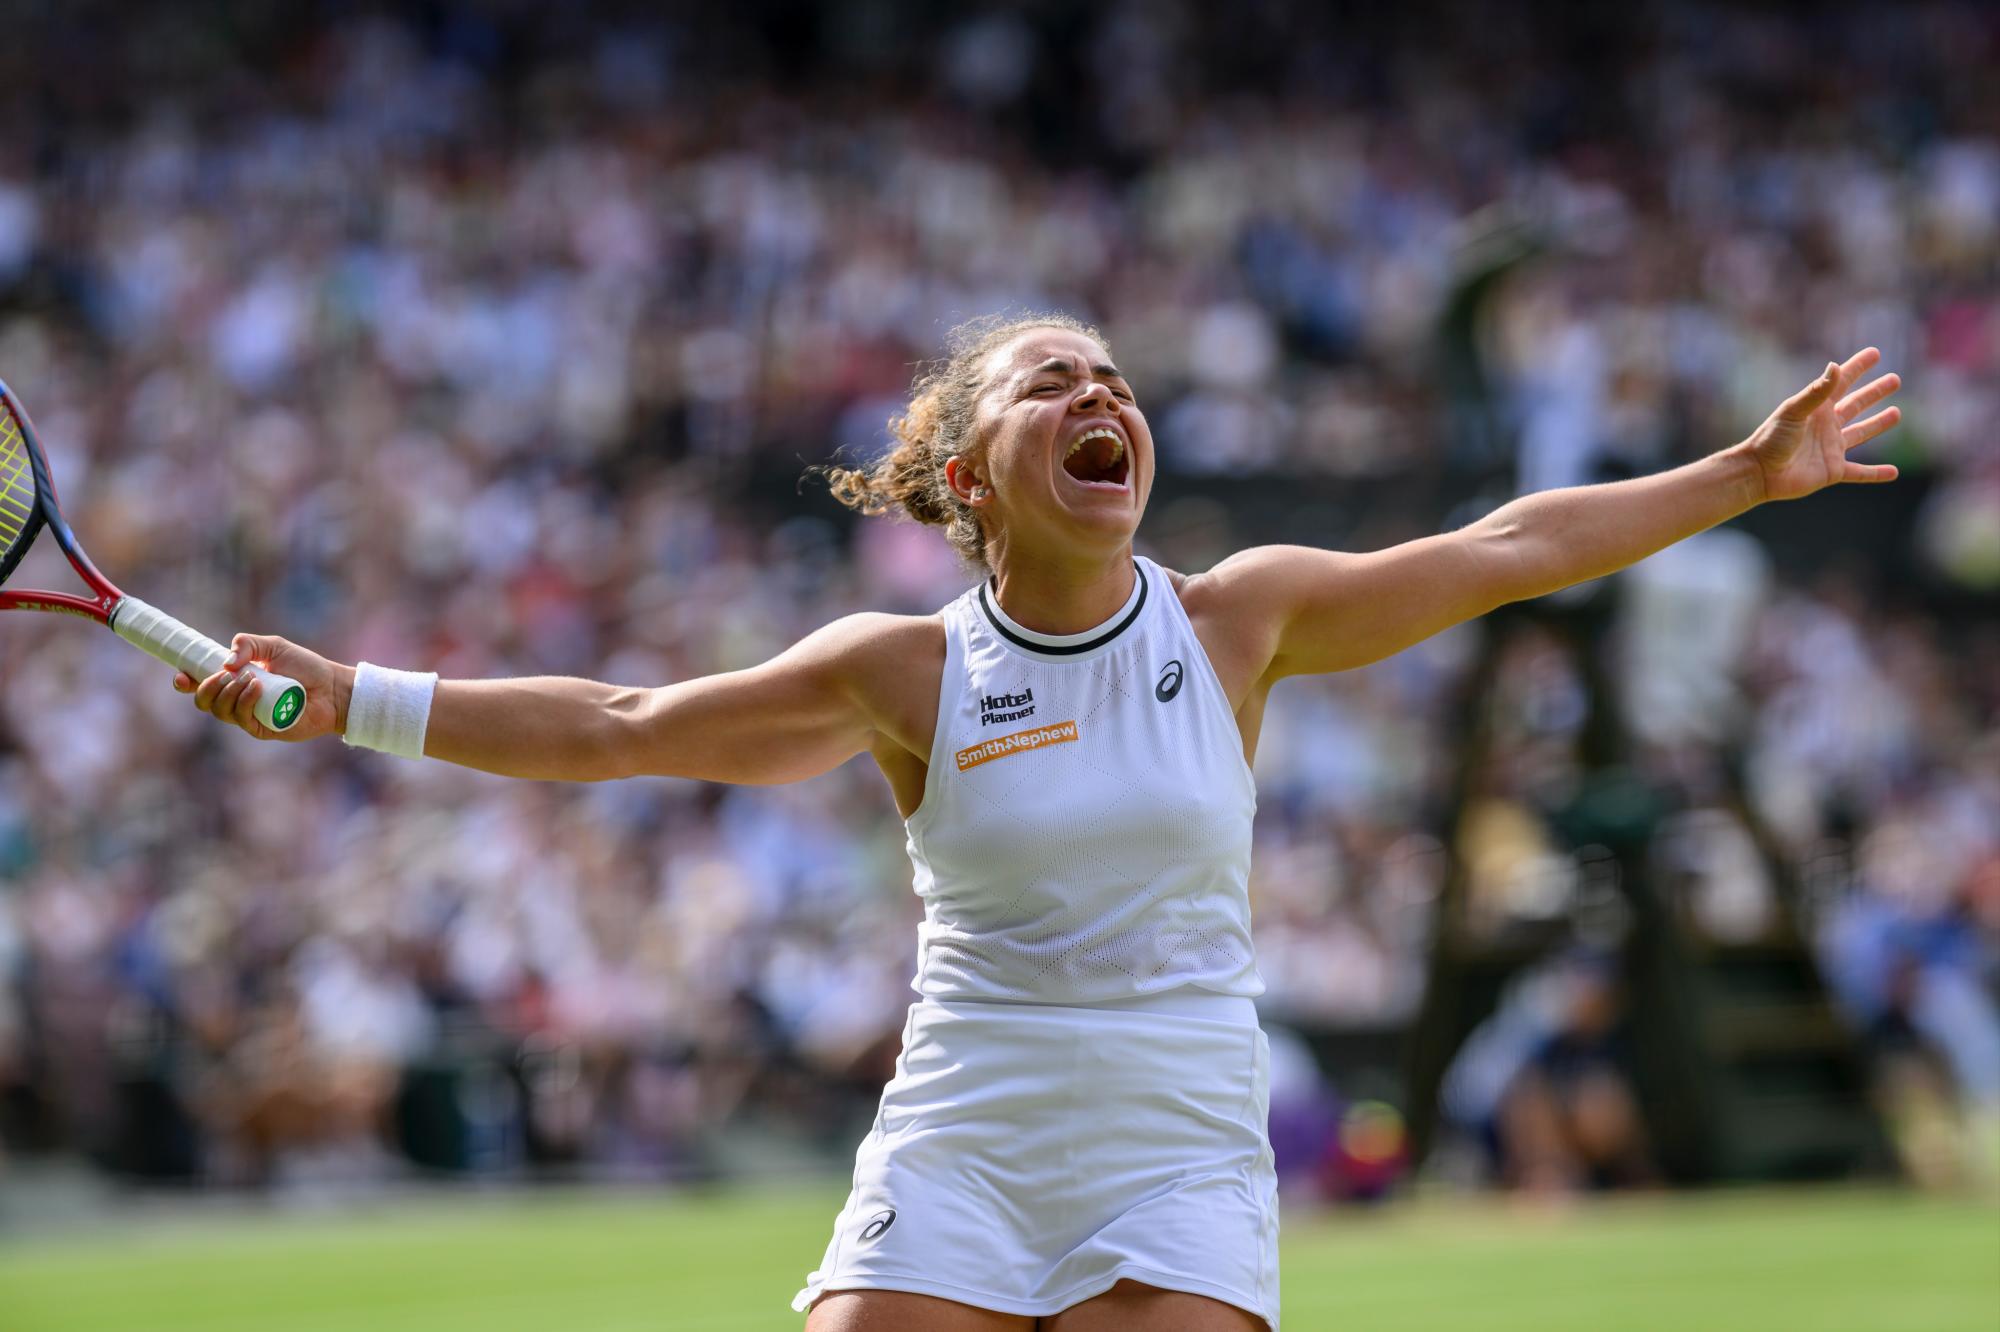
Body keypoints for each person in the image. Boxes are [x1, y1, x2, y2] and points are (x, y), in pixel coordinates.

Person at [176, 313, 1902, 1330]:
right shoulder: (899, 671)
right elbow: (624, 728)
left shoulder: (1244, 617)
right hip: (964, 1129)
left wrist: (1743, 477)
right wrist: (354, 699)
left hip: (1177, 1135)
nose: (1103, 402)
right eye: (1052, 385)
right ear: (964, 475)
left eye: (1118, 386)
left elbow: (1513, 546)